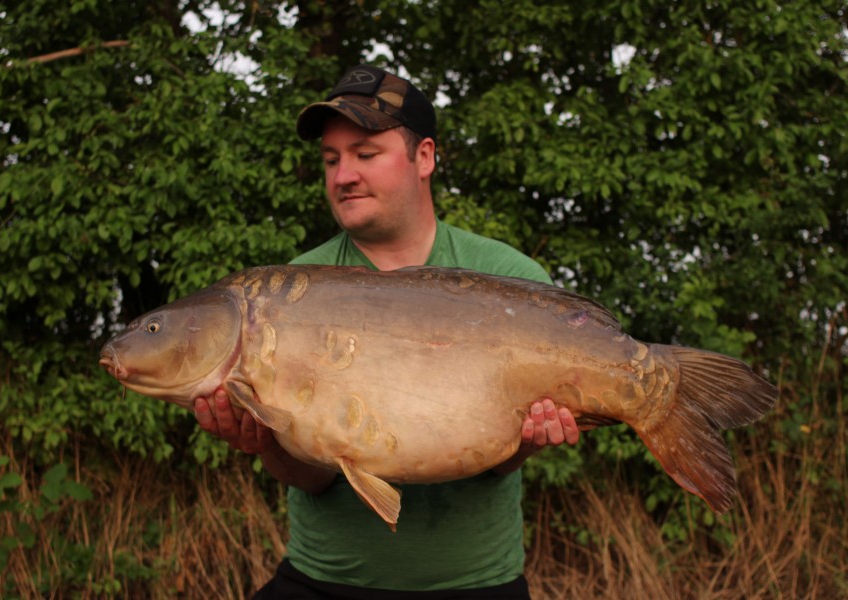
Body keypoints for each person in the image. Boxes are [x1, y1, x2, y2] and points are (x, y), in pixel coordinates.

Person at [194, 65, 580, 599]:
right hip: (325, 581)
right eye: (331, 160)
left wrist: (528, 442)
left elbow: (495, 465)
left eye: (365, 154)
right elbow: (313, 477)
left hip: (476, 584)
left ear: (425, 157)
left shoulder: (511, 280)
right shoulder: (288, 293)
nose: (343, 175)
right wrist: (264, 443)